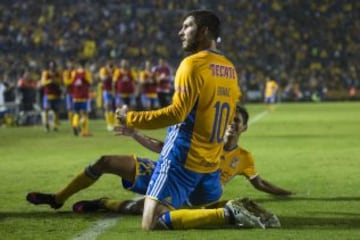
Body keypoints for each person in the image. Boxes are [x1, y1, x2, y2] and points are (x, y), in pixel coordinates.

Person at [26, 105, 288, 229]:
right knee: (105, 161)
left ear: (244, 128)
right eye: (228, 120)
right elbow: (168, 147)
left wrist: (284, 192)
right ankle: (57, 198)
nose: (231, 124)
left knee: (142, 211)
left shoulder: (243, 157)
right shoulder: (206, 140)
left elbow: (259, 182)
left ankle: (103, 202)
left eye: (237, 121)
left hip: (194, 191)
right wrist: (136, 134)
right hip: (172, 169)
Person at [116, 10, 243, 230]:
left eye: (187, 27)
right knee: (190, 210)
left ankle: (227, 215)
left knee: (151, 222)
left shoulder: (192, 64)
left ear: (203, 31)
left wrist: (131, 117)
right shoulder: (230, 69)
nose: (180, 32)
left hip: (181, 160)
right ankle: (227, 211)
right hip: (211, 165)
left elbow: (177, 114)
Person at [70, 60, 93, 137]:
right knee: (84, 114)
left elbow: (71, 83)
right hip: (83, 96)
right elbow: (89, 82)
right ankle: (84, 131)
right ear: (85, 65)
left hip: (75, 96)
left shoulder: (74, 73)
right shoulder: (86, 73)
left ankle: (75, 124)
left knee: (76, 113)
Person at [40, 61, 62, 132]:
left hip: (56, 95)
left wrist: (55, 81)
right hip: (47, 95)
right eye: (51, 67)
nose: (53, 68)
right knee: (46, 110)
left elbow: (60, 82)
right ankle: (46, 124)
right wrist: (50, 81)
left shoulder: (58, 73)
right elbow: (43, 83)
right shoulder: (45, 73)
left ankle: (55, 125)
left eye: (54, 67)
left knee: (56, 111)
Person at [99, 61, 115, 131]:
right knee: (107, 106)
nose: (110, 68)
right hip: (106, 91)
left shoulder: (115, 70)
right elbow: (102, 78)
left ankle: (113, 123)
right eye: (109, 66)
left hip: (114, 91)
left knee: (114, 107)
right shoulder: (103, 70)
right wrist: (109, 74)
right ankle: (109, 124)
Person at [62, 60, 75, 127]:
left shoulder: (75, 72)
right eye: (69, 65)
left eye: (72, 65)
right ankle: (72, 123)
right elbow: (66, 82)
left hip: (75, 93)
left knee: (75, 109)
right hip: (69, 93)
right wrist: (73, 80)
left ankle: (75, 123)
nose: (71, 66)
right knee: (70, 109)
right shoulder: (66, 73)